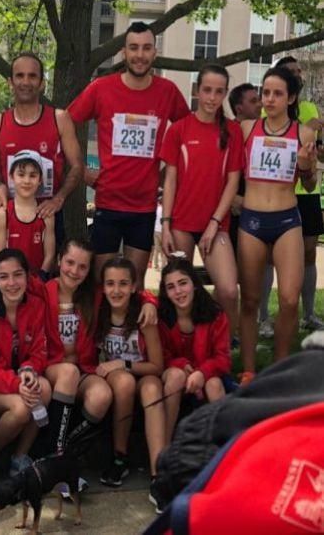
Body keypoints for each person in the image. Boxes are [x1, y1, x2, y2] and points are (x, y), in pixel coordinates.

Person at [68, 22, 190, 288]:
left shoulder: (167, 92)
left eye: (146, 48)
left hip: (144, 208)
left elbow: (189, 133)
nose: (140, 54)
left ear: (154, 53)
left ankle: (132, 331)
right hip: (108, 203)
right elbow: (66, 121)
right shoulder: (101, 88)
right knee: (104, 284)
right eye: (134, 48)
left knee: (134, 285)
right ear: (124, 52)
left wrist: (166, 172)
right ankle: (101, 331)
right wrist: (80, 169)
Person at [238, 66, 316, 385]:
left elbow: (310, 186)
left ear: (291, 97)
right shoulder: (246, 128)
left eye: (277, 93)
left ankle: (281, 367)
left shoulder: (305, 133)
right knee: (252, 300)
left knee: (288, 298)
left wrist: (307, 168)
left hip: (286, 219)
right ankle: (248, 370)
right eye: (265, 92)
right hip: (252, 220)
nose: (269, 99)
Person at [160, 64, 242, 333]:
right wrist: (166, 224)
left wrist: (214, 223)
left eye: (219, 92)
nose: (212, 97)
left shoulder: (232, 131)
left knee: (229, 291)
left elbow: (232, 181)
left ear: (225, 94)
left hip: (215, 225)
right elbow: (170, 180)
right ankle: (182, 347)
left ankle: (225, 346)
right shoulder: (179, 129)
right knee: (179, 295)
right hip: (181, 223)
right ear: (196, 91)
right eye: (207, 90)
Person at [0, 249, 50, 492]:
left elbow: (39, 350)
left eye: (18, 275)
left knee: (43, 389)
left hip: (21, 374)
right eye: (3, 277)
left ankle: (19, 458)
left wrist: (28, 370)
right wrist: (17, 384)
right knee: (20, 408)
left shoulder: (36, 304)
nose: (12, 283)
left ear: (28, 276)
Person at [91, 257, 166, 513]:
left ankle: (159, 474)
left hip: (142, 370)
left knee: (153, 388)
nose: (116, 290)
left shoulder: (143, 315)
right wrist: (119, 368)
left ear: (134, 286)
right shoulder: (99, 311)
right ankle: (119, 457)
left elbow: (157, 365)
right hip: (116, 377)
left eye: (123, 283)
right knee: (123, 383)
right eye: (110, 283)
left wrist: (123, 363)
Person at [0, 52, 84, 249]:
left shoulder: (59, 118)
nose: (26, 82)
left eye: (32, 76)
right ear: (10, 82)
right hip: (11, 218)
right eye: (20, 76)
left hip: (47, 216)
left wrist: (59, 199)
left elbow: (77, 166)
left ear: (42, 83)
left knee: (46, 276)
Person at [262, 57, 324, 332]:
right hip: (276, 190)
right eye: (293, 71)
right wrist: (306, 127)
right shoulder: (269, 107)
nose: (298, 74)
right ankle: (263, 317)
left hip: (306, 192)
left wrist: (314, 145)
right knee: (267, 255)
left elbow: (319, 149)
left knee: (309, 253)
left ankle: (308, 314)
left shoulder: (311, 107)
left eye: (299, 71)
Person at [158, 258, 230, 443]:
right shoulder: (163, 317)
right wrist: (183, 365)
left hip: (209, 375)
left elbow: (223, 359)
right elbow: (162, 356)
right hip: (175, 377)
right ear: (165, 293)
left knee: (214, 384)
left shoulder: (214, 314)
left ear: (194, 285)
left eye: (183, 283)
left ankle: (222, 447)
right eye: (171, 287)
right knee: (175, 376)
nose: (179, 291)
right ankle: (164, 445)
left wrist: (201, 373)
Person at [0, 150, 55, 279]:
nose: (27, 181)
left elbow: (49, 254)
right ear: (11, 177)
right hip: (11, 283)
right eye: (21, 175)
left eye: (32, 175)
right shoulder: (3, 214)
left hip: (37, 281)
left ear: (40, 180)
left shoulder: (46, 214)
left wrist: (41, 277)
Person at [227, 83, 261, 262]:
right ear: (239, 108)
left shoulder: (263, 133)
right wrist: (232, 197)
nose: (260, 104)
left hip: (257, 208)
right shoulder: (227, 133)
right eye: (253, 101)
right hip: (231, 213)